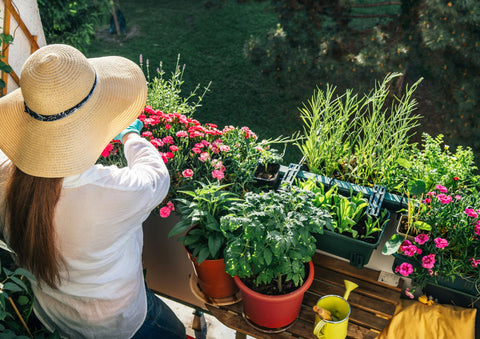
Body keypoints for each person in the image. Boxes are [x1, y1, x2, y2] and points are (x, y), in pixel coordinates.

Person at [0, 44, 186, 338]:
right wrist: (131, 136)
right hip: (116, 323)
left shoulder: (5, 180)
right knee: (174, 331)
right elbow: (155, 178)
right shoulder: (109, 192)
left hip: (51, 315)